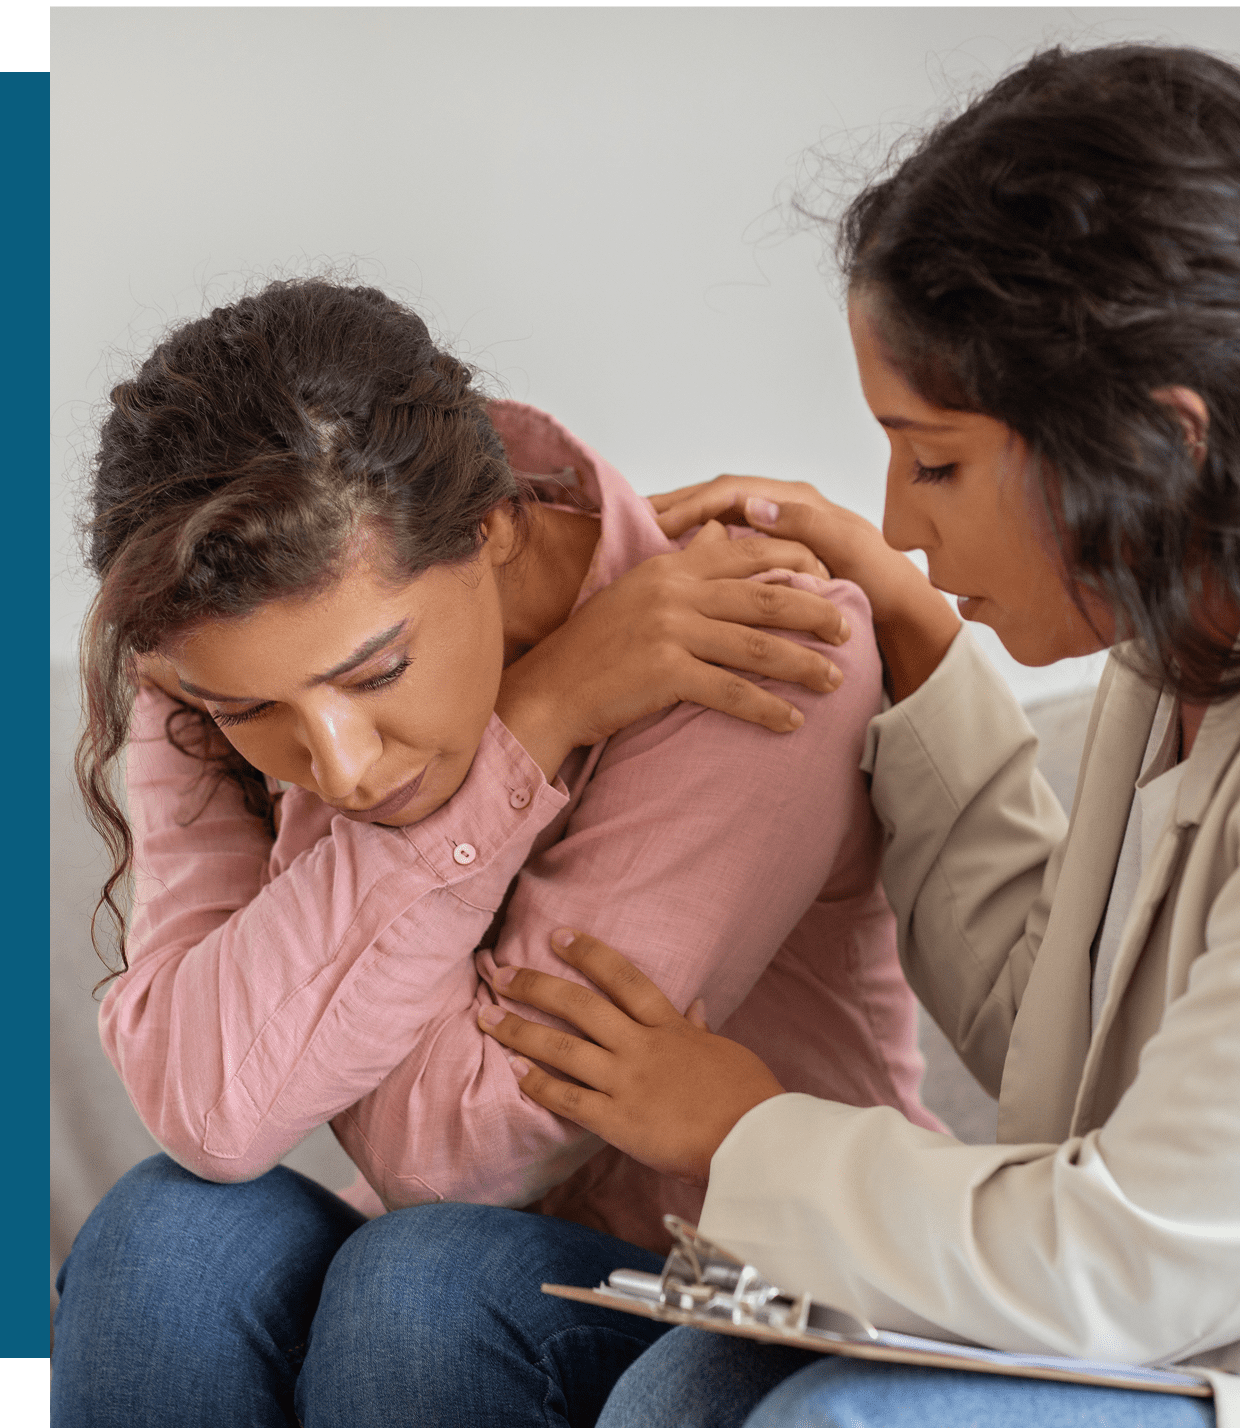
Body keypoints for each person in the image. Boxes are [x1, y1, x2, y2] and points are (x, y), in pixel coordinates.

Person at [473, 43, 1240, 1428]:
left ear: (1163, 444)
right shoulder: (1172, 652)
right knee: (672, 1392)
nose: (894, 520)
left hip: (1171, 1323)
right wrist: (922, 645)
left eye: (935, 460)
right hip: (1149, 1310)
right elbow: (1061, 1051)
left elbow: (1131, 1257)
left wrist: (738, 1129)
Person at [52, 278, 942, 1425]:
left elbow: (460, 1155)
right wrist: (536, 718)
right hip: (428, 1295)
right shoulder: (202, 664)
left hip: (737, 1283)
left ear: (492, 526)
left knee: (422, 1283)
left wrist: (474, 785)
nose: (343, 767)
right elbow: (211, 1105)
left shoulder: (754, 639)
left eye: (375, 674)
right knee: (164, 1237)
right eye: (251, 714)